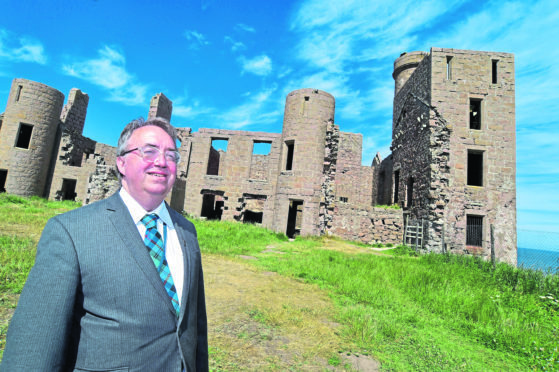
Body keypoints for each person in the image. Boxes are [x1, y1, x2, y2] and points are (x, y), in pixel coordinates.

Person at [1, 117, 208, 371]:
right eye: (149, 151)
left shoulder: (187, 231)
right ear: (121, 162)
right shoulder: (72, 232)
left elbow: (195, 329)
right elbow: (32, 350)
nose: (161, 161)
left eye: (171, 155)